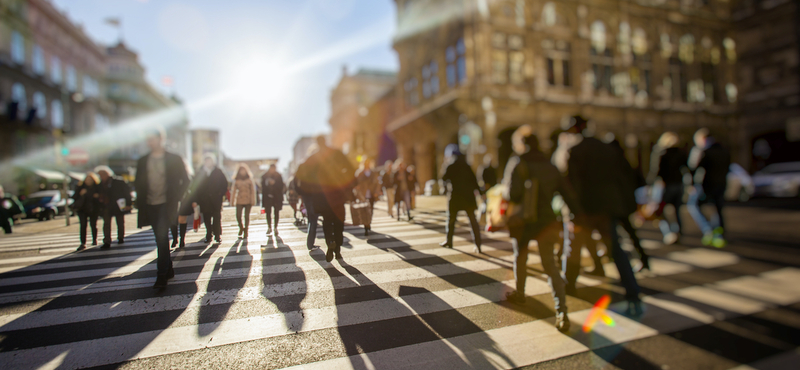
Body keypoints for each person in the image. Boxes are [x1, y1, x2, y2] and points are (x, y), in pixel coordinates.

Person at [502, 126, 582, 332]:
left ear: (521, 144)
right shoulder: (550, 164)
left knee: (520, 256)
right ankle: (561, 311)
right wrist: (576, 216)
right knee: (550, 266)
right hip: (547, 220)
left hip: (524, 221)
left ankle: (520, 292)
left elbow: (513, 194)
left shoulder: (517, 162)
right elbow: (566, 192)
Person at [561, 115, 643, 315]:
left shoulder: (575, 150)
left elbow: (572, 184)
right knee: (616, 250)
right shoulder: (607, 148)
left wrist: (573, 210)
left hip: (585, 209)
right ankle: (633, 291)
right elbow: (622, 176)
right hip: (608, 207)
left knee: (574, 248)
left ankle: (569, 285)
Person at [134, 128, 190, 289]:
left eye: (152, 139)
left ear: (160, 139)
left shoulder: (174, 158)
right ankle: (169, 269)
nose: (149, 142)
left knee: (162, 238)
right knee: (161, 238)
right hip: (150, 204)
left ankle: (161, 275)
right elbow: (138, 182)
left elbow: (186, 180)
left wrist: (177, 197)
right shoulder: (143, 160)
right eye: (148, 139)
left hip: (167, 203)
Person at [304, 136, 355, 262]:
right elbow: (351, 169)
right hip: (337, 193)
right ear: (325, 141)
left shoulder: (313, 158)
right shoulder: (336, 153)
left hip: (322, 196)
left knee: (327, 222)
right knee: (338, 222)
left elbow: (305, 177)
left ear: (317, 143)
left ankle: (330, 242)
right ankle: (337, 250)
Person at [687, 128, 731, 247]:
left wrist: (692, 184)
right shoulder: (723, 150)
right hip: (721, 183)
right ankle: (718, 234)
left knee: (693, 205)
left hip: (706, 185)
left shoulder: (704, 151)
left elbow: (694, 168)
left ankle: (708, 230)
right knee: (718, 209)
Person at [647, 131, 688, 245]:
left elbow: (655, 170)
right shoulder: (680, 153)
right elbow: (686, 168)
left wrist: (650, 184)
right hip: (678, 184)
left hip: (664, 185)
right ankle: (677, 231)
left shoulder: (660, 152)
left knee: (659, 211)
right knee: (676, 210)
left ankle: (669, 233)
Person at [440, 144, 482, 252]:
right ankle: (478, 244)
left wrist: (445, 164)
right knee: (473, 220)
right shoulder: (467, 165)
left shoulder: (450, 166)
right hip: (468, 197)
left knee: (451, 220)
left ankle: (449, 241)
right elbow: (474, 181)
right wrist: (479, 193)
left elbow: (444, 178)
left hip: (455, 196)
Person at [95, 166, 131, 250]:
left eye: (102, 174)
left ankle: (120, 237)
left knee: (120, 222)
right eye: (100, 175)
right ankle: (107, 240)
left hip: (118, 204)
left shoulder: (118, 181)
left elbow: (127, 192)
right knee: (106, 223)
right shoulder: (100, 184)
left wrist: (128, 204)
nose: (101, 176)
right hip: (106, 206)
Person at [195, 154, 228, 244]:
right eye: (206, 161)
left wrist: (220, 193)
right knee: (207, 218)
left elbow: (224, 183)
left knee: (217, 217)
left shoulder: (218, 171)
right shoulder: (201, 171)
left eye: (210, 161)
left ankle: (217, 235)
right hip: (204, 200)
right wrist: (198, 198)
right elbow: (196, 186)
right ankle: (209, 235)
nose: (208, 163)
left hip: (216, 199)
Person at [296, 148, 322, 251]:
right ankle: (310, 244)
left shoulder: (302, 164)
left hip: (307, 195)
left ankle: (310, 243)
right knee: (313, 218)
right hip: (315, 195)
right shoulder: (318, 165)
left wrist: (301, 193)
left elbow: (296, 180)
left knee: (312, 218)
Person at [170, 158, 195, 249]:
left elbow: (192, 189)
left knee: (182, 220)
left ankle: (182, 240)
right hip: (172, 200)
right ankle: (174, 238)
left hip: (184, 199)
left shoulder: (188, 175)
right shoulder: (171, 174)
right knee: (173, 221)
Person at [73, 172, 101, 251]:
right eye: (87, 179)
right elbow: (74, 196)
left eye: (90, 179)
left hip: (93, 209)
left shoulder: (97, 187)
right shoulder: (80, 187)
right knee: (83, 225)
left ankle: (94, 240)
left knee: (93, 225)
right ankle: (83, 243)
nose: (88, 181)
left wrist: (97, 196)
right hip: (82, 209)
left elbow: (100, 197)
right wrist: (81, 194)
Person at [354, 158, 380, 236]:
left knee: (371, 209)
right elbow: (356, 183)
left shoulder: (373, 172)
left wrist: (376, 192)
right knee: (364, 210)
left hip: (372, 194)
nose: (367, 164)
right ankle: (366, 225)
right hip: (363, 194)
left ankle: (369, 222)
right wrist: (357, 192)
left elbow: (378, 183)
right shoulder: (359, 172)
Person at [232, 163, 257, 239]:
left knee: (246, 216)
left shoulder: (249, 180)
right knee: (238, 216)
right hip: (239, 200)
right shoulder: (236, 180)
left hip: (248, 200)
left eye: (244, 170)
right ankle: (241, 227)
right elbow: (233, 191)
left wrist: (253, 200)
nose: (242, 172)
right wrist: (232, 201)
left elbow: (253, 191)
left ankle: (246, 230)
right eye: (241, 170)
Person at [261, 164, 285, 236]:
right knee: (268, 213)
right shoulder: (264, 176)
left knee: (276, 212)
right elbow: (262, 187)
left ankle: (275, 227)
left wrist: (275, 183)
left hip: (276, 197)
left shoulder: (278, 175)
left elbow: (282, 186)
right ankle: (269, 227)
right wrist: (267, 183)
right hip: (267, 197)